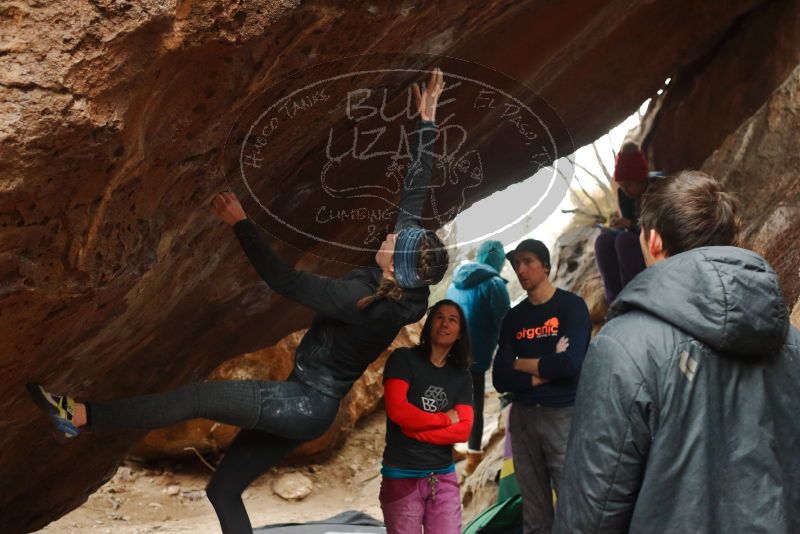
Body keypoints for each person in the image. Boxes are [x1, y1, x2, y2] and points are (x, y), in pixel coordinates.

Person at [27, 69, 451, 534]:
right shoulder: (408, 281)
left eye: (396, 241)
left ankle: (80, 416)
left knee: (198, 397)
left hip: (302, 403)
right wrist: (426, 123)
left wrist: (241, 224)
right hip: (308, 406)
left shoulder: (359, 298)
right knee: (222, 491)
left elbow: (284, 281)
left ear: (395, 267)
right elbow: (415, 192)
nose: (391, 233)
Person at [554, 171, 800, 533]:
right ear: (731, 237)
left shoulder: (624, 347)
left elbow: (593, 509)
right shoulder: (789, 338)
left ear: (653, 241)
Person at [492, 239, 591, 534]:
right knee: (534, 511)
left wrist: (521, 363)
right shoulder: (513, 318)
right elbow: (500, 378)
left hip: (562, 415)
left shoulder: (571, 307)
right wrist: (547, 366)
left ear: (545, 266)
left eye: (528, 261)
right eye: (516, 263)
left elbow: (571, 365)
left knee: (575, 502)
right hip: (522, 418)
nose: (521, 269)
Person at [380, 299, 474, 534]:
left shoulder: (461, 375)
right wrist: (444, 420)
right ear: (429, 324)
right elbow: (398, 411)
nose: (445, 323)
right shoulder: (403, 359)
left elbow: (463, 430)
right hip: (401, 475)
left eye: (453, 320)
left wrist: (416, 431)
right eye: (439, 317)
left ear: (460, 332)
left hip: (442, 476)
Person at [445, 240, 510, 474]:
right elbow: (505, 325)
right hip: (474, 357)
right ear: (499, 260)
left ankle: (447, 449)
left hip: (449, 351)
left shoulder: (455, 283)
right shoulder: (493, 284)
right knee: (474, 407)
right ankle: (473, 458)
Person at [594, 141, 652, 303]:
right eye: (622, 186)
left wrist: (630, 226)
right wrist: (618, 227)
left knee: (624, 240)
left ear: (641, 179)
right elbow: (629, 225)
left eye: (629, 185)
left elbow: (660, 230)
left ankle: (634, 298)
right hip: (635, 238)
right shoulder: (624, 195)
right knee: (604, 240)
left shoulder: (657, 189)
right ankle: (615, 301)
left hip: (653, 244)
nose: (625, 190)